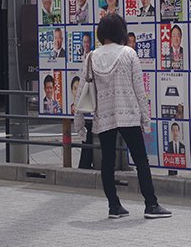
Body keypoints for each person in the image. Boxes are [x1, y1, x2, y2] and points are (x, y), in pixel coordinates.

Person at [73, 13, 172, 219]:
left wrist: (79, 124)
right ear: (121, 32)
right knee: (141, 160)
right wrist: (146, 119)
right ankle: (151, 204)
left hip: (104, 116)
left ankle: (114, 206)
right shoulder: (129, 54)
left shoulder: (91, 57)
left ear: (101, 33)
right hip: (128, 115)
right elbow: (139, 90)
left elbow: (81, 92)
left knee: (107, 162)